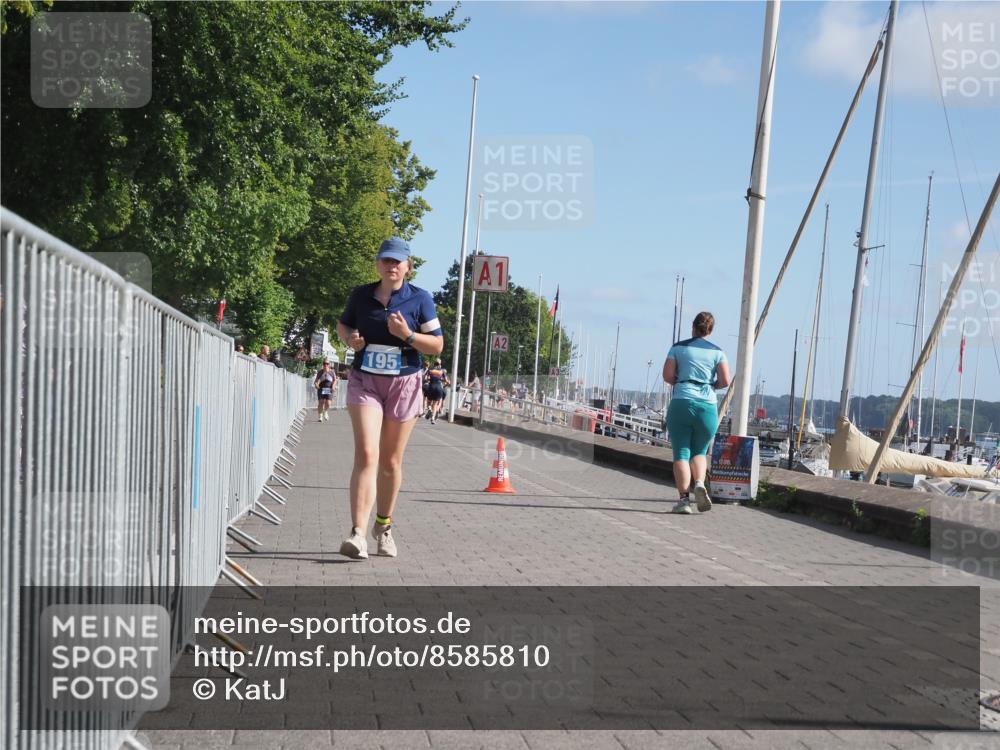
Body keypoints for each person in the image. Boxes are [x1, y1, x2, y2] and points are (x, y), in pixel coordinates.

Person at [335, 237, 443, 559]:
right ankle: (357, 534)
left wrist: (407, 336)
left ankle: (383, 527)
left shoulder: (420, 299)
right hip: (365, 380)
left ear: (408, 266)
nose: (391, 266)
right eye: (386, 260)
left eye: (397, 262)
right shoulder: (361, 295)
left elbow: (437, 346)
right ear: (378, 264)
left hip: (404, 382)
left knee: (391, 461)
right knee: (367, 454)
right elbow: (343, 326)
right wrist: (351, 339)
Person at [662, 311, 731, 514]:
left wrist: (681, 381)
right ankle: (699, 482)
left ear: (693, 327)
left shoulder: (678, 348)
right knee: (699, 452)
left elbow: (667, 375)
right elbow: (725, 380)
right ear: (710, 330)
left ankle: (684, 501)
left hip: (682, 401)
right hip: (707, 405)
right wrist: (711, 386)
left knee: (681, 453)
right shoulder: (718, 352)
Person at [423, 358, 449, 424]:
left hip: (431, 386)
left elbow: (425, 378)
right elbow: (446, 380)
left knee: (429, 401)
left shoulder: (430, 370)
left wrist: (430, 379)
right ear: (439, 365)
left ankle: (429, 409)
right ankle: (432, 418)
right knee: (435, 403)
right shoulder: (442, 371)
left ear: (434, 364)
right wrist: (440, 379)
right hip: (438, 388)